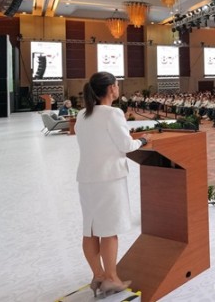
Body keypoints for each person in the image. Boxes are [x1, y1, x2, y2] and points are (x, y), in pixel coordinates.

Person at [75, 72, 153, 298]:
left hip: (86, 178)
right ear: (110, 89)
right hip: (108, 179)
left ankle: (98, 274)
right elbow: (126, 145)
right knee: (109, 231)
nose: (118, 88)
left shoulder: (82, 114)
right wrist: (144, 140)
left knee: (90, 229)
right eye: (117, 85)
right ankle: (111, 278)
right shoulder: (113, 113)